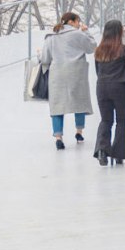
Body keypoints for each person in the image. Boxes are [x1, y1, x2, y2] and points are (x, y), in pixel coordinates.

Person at [41, 11, 95, 150]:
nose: (79, 24)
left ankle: (58, 137)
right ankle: (79, 132)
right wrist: (86, 31)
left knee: (57, 105)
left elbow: (45, 59)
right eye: (78, 21)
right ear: (71, 22)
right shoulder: (78, 34)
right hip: (76, 73)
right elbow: (91, 48)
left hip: (57, 74)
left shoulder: (51, 37)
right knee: (79, 102)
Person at [93, 20, 125, 166]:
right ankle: (118, 154)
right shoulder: (124, 49)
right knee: (122, 121)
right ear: (119, 32)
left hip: (102, 87)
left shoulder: (98, 50)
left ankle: (101, 150)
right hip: (120, 87)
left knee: (106, 120)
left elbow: (97, 72)